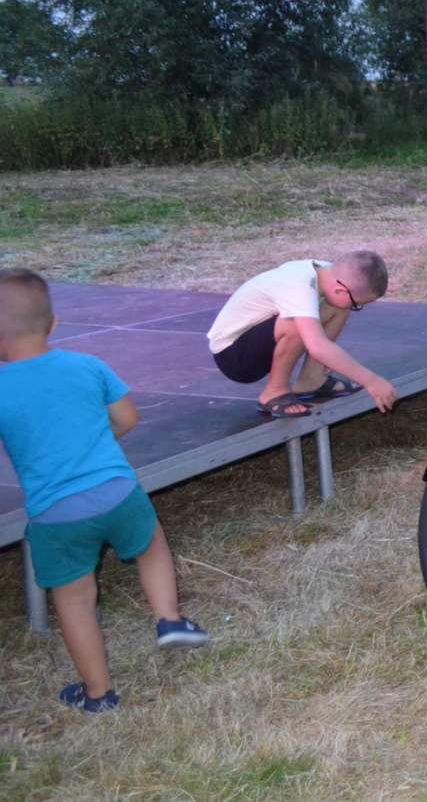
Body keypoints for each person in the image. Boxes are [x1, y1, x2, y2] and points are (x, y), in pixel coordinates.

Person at [0, 269, 211, 714]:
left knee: (75, 600)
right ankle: (169, 618)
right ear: (53, 323)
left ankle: (99, 694)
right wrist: (91, 446)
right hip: (118, 491)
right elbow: (128, 418)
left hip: (57, 513)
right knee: (150, 545)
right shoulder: (87, 365)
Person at [206, 252, 397, 418]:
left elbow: (334, 312)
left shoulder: (327, 272)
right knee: (296, 321)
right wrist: (372, 381)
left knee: (338, 307)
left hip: (256, 340)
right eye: (357, 304)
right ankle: (274, 392)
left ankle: (312, 379)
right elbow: (318, 347)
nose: (356, 307)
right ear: (340, 289)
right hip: (234, 356)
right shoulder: (298, 287)